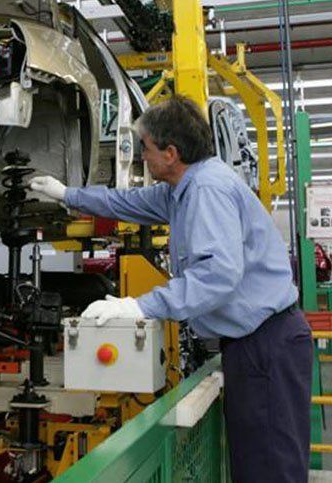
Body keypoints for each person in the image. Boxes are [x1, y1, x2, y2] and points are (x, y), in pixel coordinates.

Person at [29, 96, 311, 483]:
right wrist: (67, 194)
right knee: (256, 463)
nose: (142, 156)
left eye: (145, 148)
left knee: (270, 469)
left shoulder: (206, 190)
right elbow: (126, 202)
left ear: (171, 153)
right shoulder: (183, 187)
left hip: (266, 346)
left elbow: (217, 275)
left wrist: (139, 307)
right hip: (256, 343)